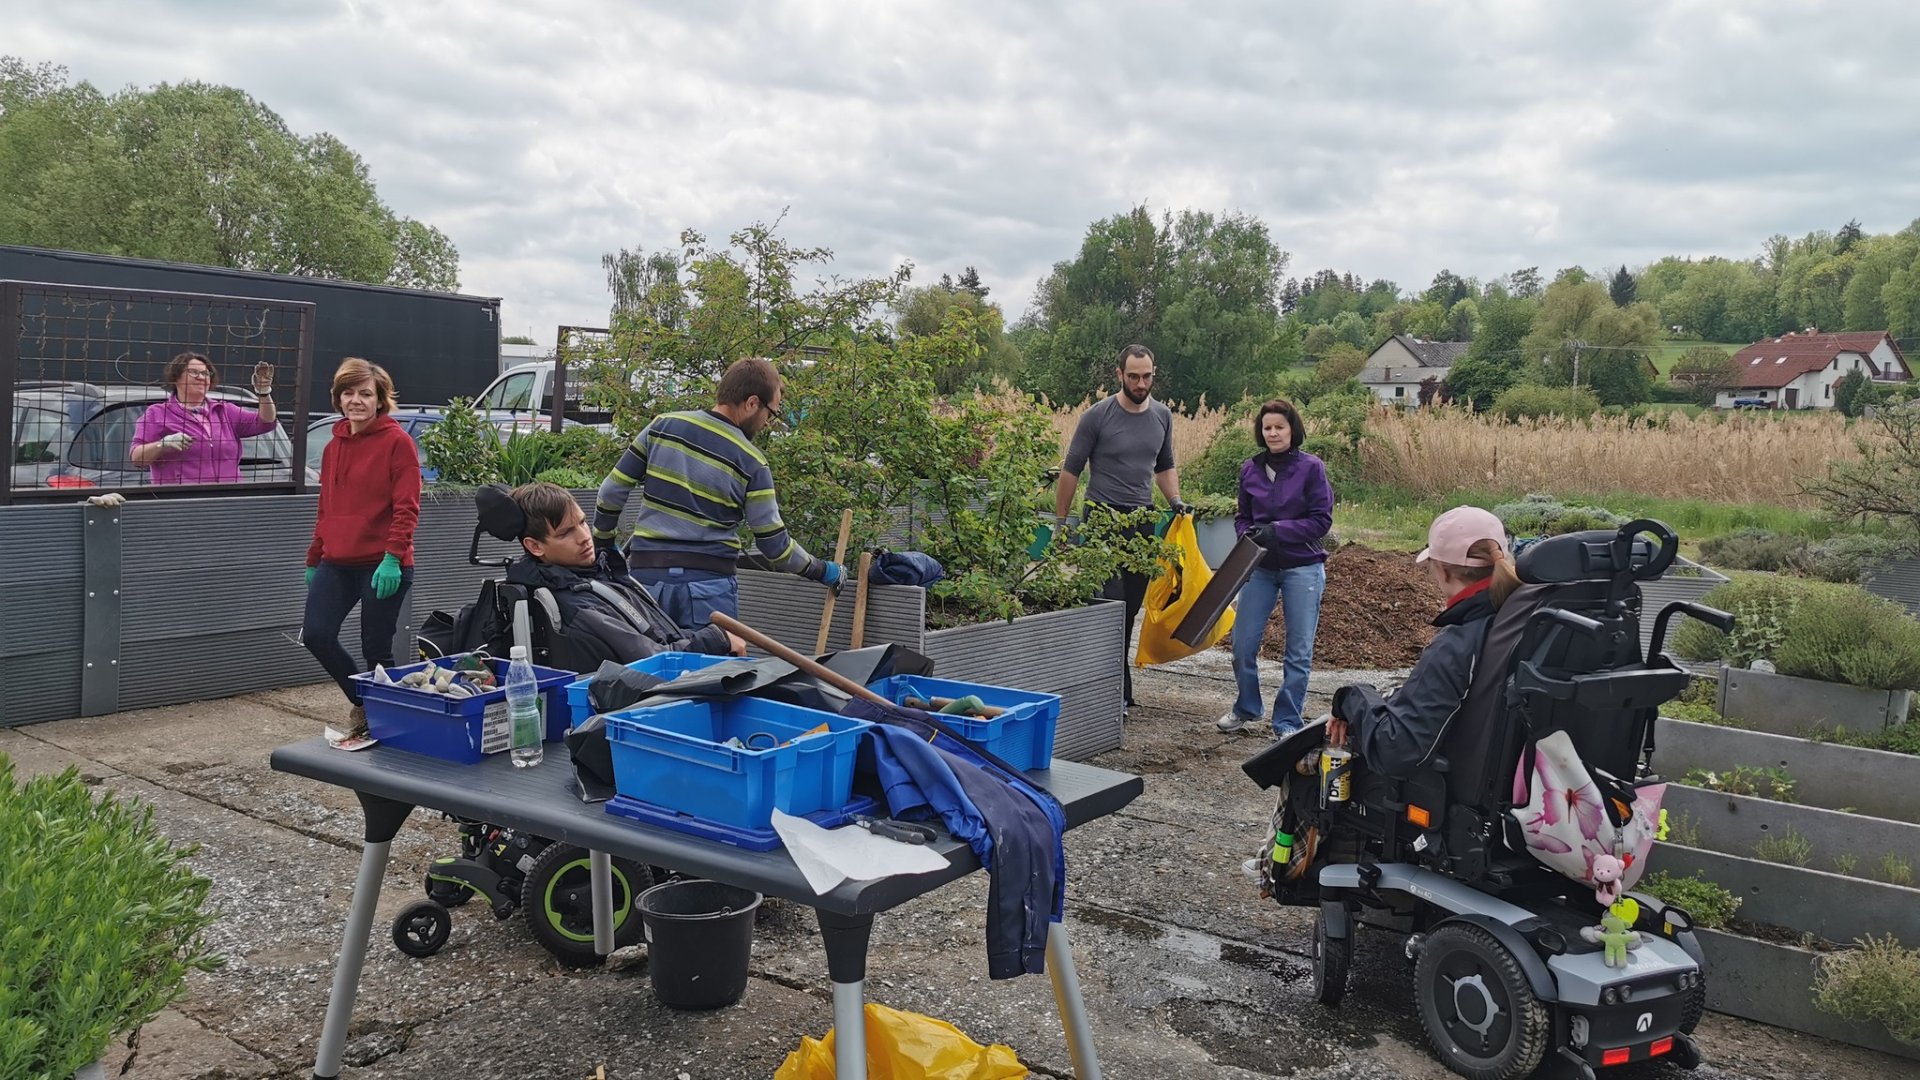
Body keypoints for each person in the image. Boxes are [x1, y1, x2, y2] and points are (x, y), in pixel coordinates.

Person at [591, 356, 842, 631]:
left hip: (646, 582)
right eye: (771, 413)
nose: (768, 422)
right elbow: (775, 547)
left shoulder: (662, 427)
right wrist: (822, 570)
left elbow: (610, 491)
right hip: (707, 591)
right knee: (710, 673)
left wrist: (603, 544)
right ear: (752, 403)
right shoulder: (751, 462)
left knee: (648, 671)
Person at [1324, 506, 1522, 778]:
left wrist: (1349, 697)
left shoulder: (1456, 643)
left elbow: (1395, 750)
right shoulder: (1522, 614)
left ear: (1443, 572)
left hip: (1452, 785)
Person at [1054, 344, 1185, 707]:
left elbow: (1165, 467)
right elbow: (1071, 472)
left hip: (1141, 523)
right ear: (1119, 375)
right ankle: (1112, 692)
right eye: (1133, 377)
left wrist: (1175, 501)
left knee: (1129, 609)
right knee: (1108, 605)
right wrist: (1062, 524)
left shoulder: (1162, 416)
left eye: (1147, 376)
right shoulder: (1097, 417)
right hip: (1101, 521)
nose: (1141, 383)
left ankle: (1113, 687)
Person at [505, 482, 746, 672]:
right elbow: (654, 660)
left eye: (582, 522)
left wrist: (716, 637)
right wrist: (716, 639)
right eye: (566, 533)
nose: (583, 537)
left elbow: (664, 637)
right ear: (535, 547)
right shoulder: (574, 603)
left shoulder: (598, 577)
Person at [301, 358, 421, 735]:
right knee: (317, 635)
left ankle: (387, 721)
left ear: (380, 399)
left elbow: (407, 508)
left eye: (365, 394)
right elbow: (327, 507)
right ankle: (364, 702)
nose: (356, 400)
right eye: (348, 393)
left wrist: (393, 558)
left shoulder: (397, 442)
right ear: (338, 398)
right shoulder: (333, 445)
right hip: (336, 562)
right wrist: (314, 557)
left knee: (377, 649)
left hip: (381, 563)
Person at [1217, 399, 1333, 737]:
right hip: (1261, 568)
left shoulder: (1311, 468)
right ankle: (1247, 707)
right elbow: (1243, 516)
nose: (1272, 433)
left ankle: (1287, 722)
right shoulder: (1250, 469)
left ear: (1292, 430)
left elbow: (1321, 521)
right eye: (1267, 427)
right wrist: (1249, 537)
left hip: (1303, 567)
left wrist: (1278, 531)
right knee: (1242, 644)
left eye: (1279, 427)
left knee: (1297, 651)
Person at [129, 351, 279, 484]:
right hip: (179, 501)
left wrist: (264, 392)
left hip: (229, 498)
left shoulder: (224, 410)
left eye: (206, 373)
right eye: (194, 372)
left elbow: (266, 421)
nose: (201, 377)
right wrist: (162, 444)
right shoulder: (156, 413)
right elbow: (137, 458)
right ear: (176, 378)